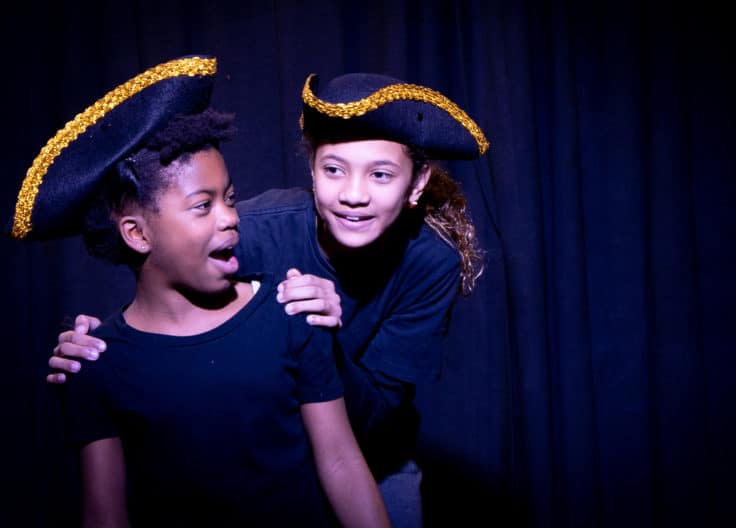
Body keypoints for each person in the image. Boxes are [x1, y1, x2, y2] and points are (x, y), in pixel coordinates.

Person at [49, 70, 489, 527]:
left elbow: (376, 419)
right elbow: (164, 287)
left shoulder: (430, 261)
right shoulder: (248, 230)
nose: (354, 195)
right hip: (266, 450)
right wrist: (97, 346)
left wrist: (327, 338)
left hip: (373, 457)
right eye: (333, 169)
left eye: (380, 175)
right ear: (312, 170)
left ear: (416, 184)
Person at [7, 56, 389, 527]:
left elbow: (342, 463)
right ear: (137, 234)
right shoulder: (95, 364)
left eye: (229, 198)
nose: (231, 217)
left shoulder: (291, 313)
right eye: (202, 205)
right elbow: (105, 515)